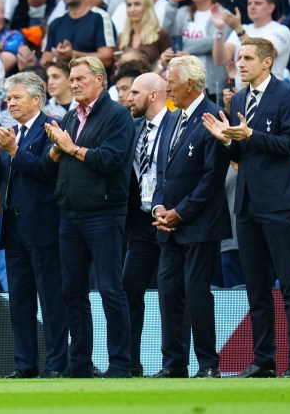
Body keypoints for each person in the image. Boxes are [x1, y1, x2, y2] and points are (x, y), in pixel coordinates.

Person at [201, 37, 290, 378]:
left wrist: (249, 135)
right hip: (246, 204)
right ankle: (264, 360)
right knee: (256, 287)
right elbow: (240, 155)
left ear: (267, 61)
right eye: (239, 57)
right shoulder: (240, 100)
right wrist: (227, 141)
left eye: (248, 58)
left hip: (278, 202)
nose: (241, 63)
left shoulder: (288, 95)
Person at [43, 56, 135, 378]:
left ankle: (120, 364)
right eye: (72, 78)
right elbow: (50, 162)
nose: (73, 83)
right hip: (69, 214)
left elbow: (110, 160)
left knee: (110, 289)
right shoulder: (69, 118)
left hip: (105, 214)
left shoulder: (118, 116)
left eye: (80, 77)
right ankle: (80, 362)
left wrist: (70, 148)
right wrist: (56, 149)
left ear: (100, 80)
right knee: (73, 291)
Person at [150, 56, 230, 378]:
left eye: (171, 80)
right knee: (168, 292)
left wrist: (180, 213)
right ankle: (173, 365)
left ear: (190, 84)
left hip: (199, 224)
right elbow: (160, 171)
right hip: (167, 225)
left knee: (197, 293)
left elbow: (212, 178)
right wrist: (158, 208)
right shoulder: (171, 117)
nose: (166, 85)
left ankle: (208, 364)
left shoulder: (213, 116)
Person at [0, 72, 66, 379]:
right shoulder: (10, 134)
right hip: (13, 229)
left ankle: (57, 364)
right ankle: (25, 365)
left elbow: (46, 171)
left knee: (51, 300)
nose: (11, 102)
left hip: (43, 227)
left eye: (17, 97)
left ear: (37, 98)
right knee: (19, 300)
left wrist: (15, 152)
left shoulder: (51, 129)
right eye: (8, 97)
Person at [122, 72, 169, 377]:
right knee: (129, 286)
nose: (129, 98)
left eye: (135, 92)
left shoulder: (176, 124)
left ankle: (174, 363)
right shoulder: (134, 128)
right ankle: (130, 362)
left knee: (171, 291)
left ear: (153, 95)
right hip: (140, 221)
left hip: (170, 220)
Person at [118, 0, 171, 66]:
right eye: (129, 5)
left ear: (147, 6)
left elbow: (169, 67)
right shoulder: (122, 37)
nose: (132, 9)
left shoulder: (162, 35)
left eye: (137, 4)